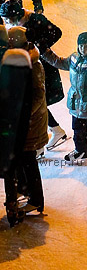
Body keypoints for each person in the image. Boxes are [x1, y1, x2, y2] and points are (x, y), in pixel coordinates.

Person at [0, 0, 67, 151]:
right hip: (29, 65)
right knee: (36, 102)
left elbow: (57, 32)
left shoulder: (35, 20)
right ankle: (54, 131)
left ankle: (46, 138)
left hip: (41, 66)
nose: (6, 22)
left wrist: (40, 45)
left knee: (36, 101)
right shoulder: (19, 25)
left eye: (8, 18)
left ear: (15, 15)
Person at [43, 31, 87, 174]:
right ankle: (81, 151)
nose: (82, 49)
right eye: (80, 46)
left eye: (85, 46)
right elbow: (59, 62)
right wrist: (44, 51)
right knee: (77, 130)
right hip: (76, 104)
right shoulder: (74, 59)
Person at [5, 26, 48, 214]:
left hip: (32, 122)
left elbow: (38, 95)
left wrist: (23, 114)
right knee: (23, 158)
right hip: (25, 120)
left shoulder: (34, 64)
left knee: (29, 160)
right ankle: (27, 192)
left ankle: (36, 199)